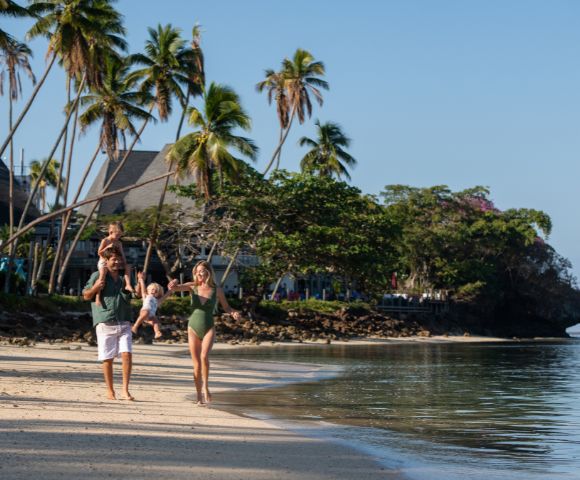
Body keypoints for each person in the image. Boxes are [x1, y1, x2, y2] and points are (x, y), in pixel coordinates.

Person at [168, 261, 242, 405]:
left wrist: (233, 313)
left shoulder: (217, 290)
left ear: (208, 272)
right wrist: (173, 283)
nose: (199, 273)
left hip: (208, 326)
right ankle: (198, 395)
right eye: (197, 271)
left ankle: (206, 387)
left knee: (204, 357)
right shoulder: (192, 286)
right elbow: (174, 288)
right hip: (193, 327)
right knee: (196, 364)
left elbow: (226, 307)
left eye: (202, 271)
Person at [83, 246, 135, 401]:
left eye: (119, 259)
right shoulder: (97, 275)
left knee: (127, 355)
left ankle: (125, 390)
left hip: (124, 320)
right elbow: (86, 295)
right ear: (106, 261)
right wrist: (95, 288)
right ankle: (110, 391)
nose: (117, 262)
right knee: (108, 358)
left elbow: (132, 294)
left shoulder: (124, 277)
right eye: (114, 259)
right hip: (105, 321)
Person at [95, 221, 132, 307]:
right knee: (102, 276)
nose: (118, 237)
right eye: (117, 235)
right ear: (111, 232)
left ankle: (128, 284)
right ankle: (97, 296)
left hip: (115, 261)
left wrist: (124, 263)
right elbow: (99, 253)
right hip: (104, 261)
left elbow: (122, 254)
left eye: (120, 235)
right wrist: (107, 247)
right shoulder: (105, 240)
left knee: (128, 267)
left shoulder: (118, 243)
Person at [132, 271, 171, 339]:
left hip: (151, 315)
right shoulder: (146, 296)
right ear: (148, 291)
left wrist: (170, 290)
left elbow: (166, 296)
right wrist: (141, 280)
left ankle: (157, 332)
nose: (154, 291)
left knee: (156, 321)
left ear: (159, 294)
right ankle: (135, 326)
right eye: (152, 290)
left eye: (156, 291)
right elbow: (143, 288)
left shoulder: (158, 301)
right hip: (144, 311)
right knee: (146, 312)